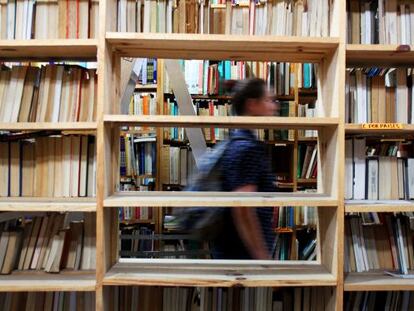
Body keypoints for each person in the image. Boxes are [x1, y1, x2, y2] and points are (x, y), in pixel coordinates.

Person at [210, 78, 277, 260]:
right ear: (252, 105)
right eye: (269, 100)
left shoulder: (236, 140)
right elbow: (243, 209)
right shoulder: (248, 148)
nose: (274, 106)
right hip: (242, 253)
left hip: (233, 247)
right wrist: (262, 256)